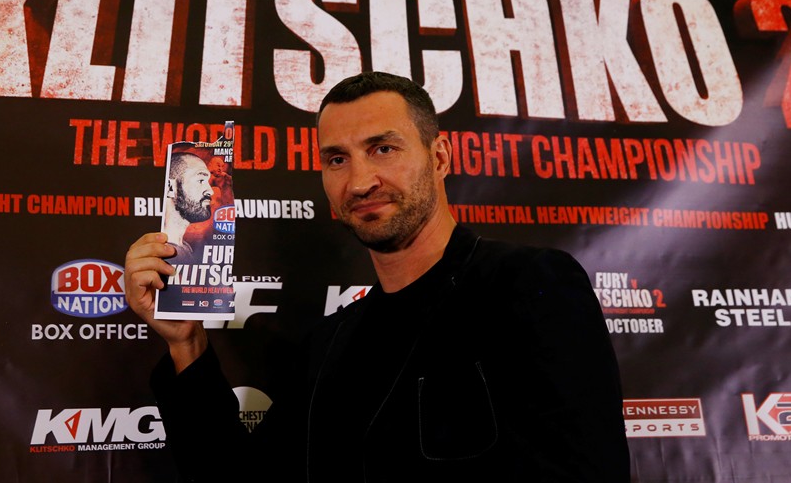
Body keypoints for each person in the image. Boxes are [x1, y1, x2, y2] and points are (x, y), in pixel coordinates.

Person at [125, 72, 630, 482]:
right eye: (337, 159)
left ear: (439, 157)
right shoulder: (329, 344)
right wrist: (186, 345)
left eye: (383, 149)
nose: (361, 181)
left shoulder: (528, 285)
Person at [161, 151, 213, 261]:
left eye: (207, 181)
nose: (210, 191)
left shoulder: (185, 248)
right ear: (170, 188)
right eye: (200, 180)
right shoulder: (158, 253)